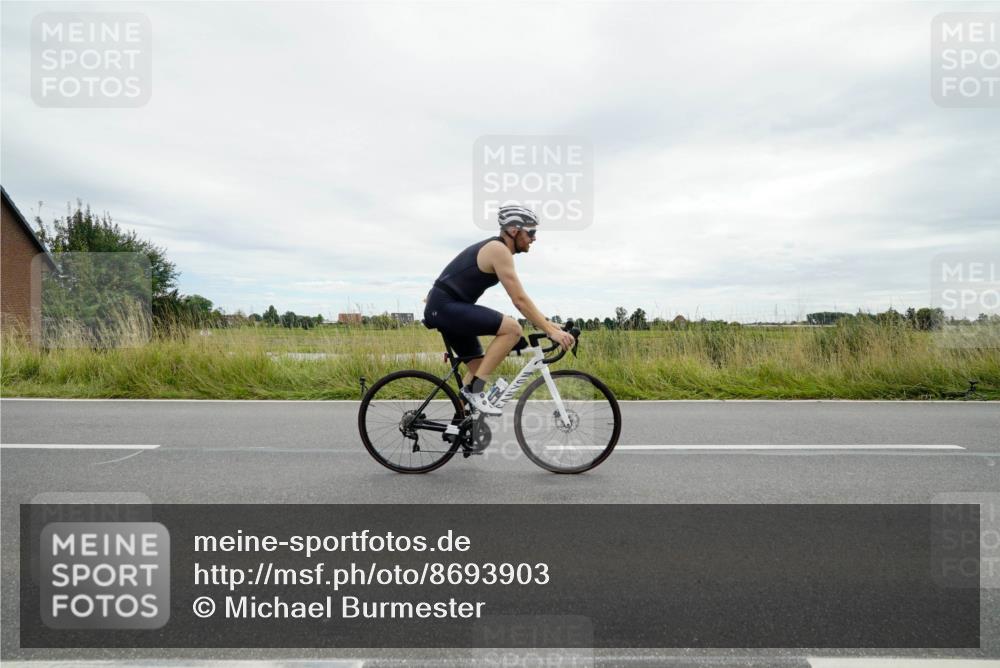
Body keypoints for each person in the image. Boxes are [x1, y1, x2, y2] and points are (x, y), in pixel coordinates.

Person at [423, 205, 575, 415]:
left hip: (447, 309)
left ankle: (459, 426)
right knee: (512, 329)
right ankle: (474, 393)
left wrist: (551, 325)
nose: (534, 238)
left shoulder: (497, 249)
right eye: (531, 232)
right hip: (445, 308)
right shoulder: (499, 250)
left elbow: (524, 302)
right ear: (514, 230)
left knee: (478, 370)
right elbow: (519, 300)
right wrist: (552, 332)